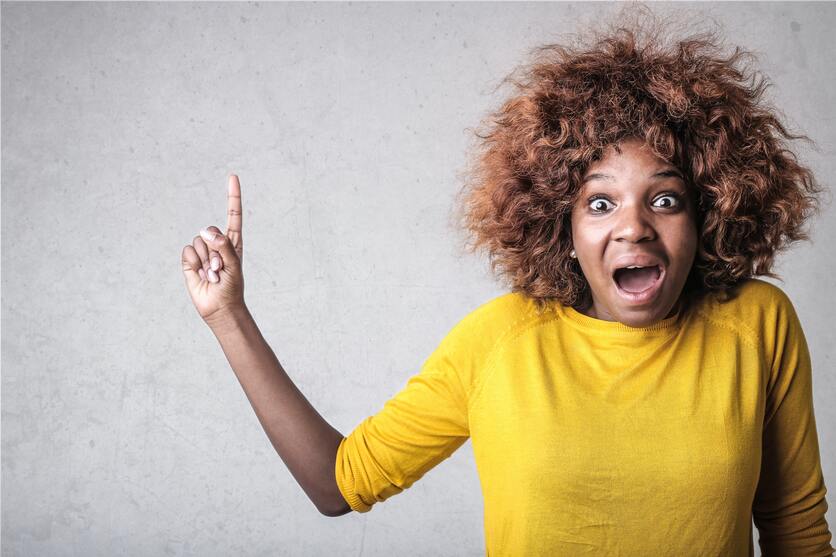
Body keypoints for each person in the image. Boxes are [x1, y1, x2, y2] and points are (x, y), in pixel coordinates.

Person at [180, 12, 834, 557]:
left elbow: (797, 534)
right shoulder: (499, 341)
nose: (633, 227)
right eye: (600, 204)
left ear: (708, 212)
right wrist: (228, 315)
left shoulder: (757, 323)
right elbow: (336, 482)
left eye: (665, 200)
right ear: (561, 225)